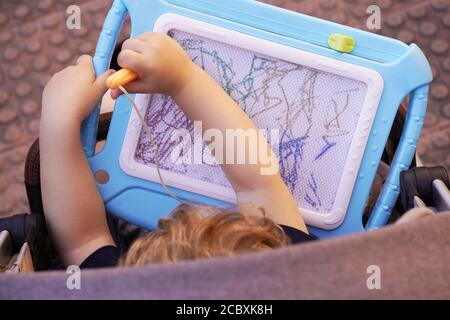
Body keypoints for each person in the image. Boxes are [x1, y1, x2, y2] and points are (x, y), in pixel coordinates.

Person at [39, 33, 313, 269]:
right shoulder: (290, 273)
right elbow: (258, 183)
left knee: (112, 113)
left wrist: (58, 121)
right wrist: (184, 80)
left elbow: (85, 241)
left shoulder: (120, 291)